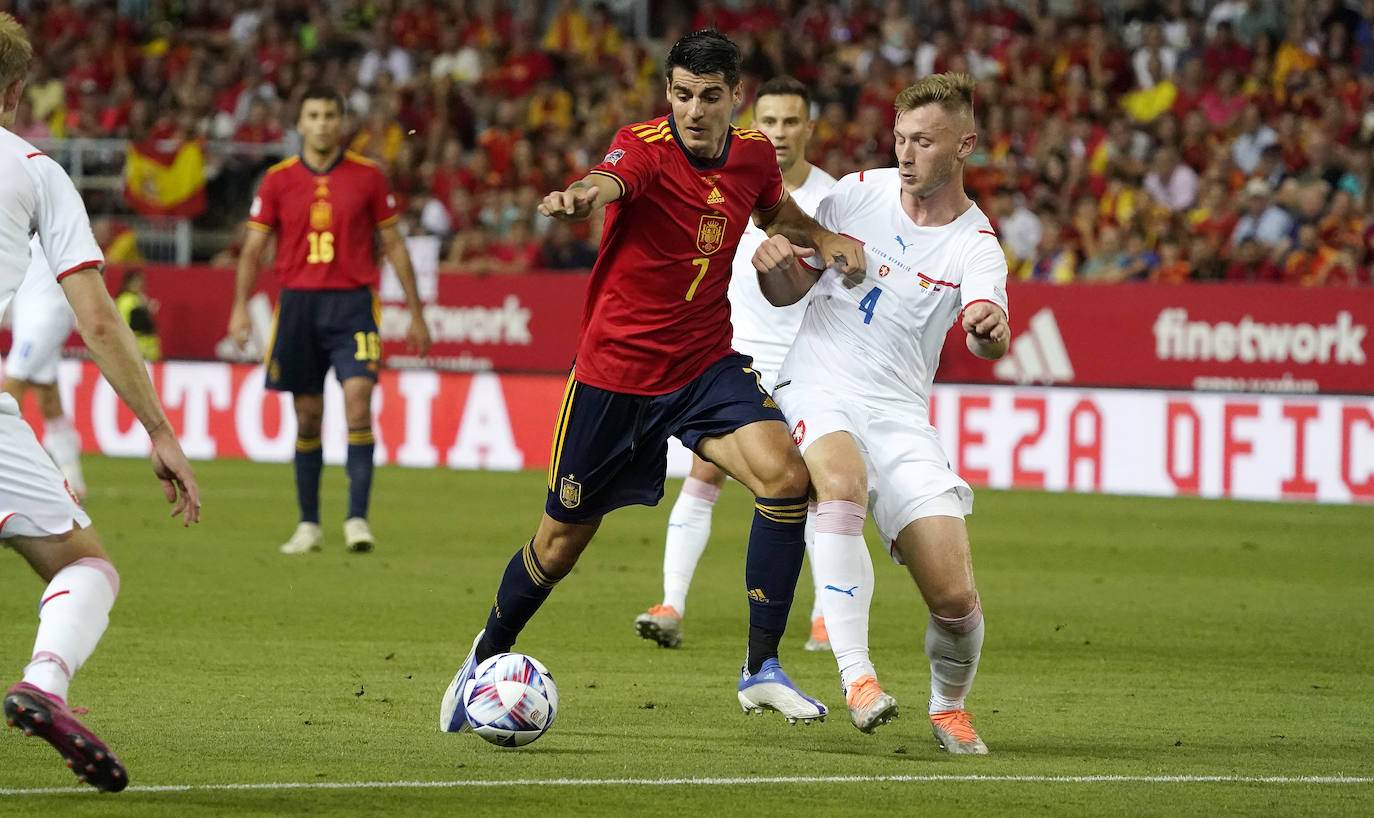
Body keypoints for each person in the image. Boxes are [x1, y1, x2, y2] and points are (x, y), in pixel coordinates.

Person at [439, 31, 864, 733]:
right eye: (681, 94)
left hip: (702, 363)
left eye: (709, 97)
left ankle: (761, 667)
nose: (693, 110)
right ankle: (485, 654)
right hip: (615, 377)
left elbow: (774, 211)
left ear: (735, 98)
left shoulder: (754, 153)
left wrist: (822, 238)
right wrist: (582, 196)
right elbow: (609, 180)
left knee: (786, 478)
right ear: (668, 93)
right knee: (558, 545)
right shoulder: (642, 145)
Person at [753, 73, 1009, 751]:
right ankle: (857, 676)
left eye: (923, 141)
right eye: (899, 138)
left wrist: (987, 326)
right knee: (840, 483)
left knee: (955, 602)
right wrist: (774, 267)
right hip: (819, 380)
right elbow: (790, 292)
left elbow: (993, 330)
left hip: (899, 413)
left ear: (964, 145)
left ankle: (949, 707)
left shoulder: (975, 245)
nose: (905, 152)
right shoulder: (855, 195)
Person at [0, 13, 201, 791]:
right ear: (16, 92)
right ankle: (46, 682)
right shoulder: (37, 171)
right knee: (86, 567)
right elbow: (98, 319)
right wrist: (159, 430)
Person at [633, 75, 837, 652]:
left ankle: (824, 617)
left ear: (808, 128)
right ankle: (671, 602)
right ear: (752, 120)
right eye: (768, 121)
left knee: (817, 489)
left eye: (790, 122)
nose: (777, 133)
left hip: (805, 363)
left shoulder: (830, 199)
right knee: (705, 472)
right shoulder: (732, 178)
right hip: (733, 355)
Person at [228, 86, 431, 555]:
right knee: (308, 417)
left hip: (353, 304)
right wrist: (239, 305)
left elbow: (395, 245)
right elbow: (254, 248)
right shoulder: (277, 180)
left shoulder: (369, 177)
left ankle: (357, 519)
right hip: (298, 306)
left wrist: (416, 313)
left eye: (330, 114)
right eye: (314, 114)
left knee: (358, 404)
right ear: (300, 123)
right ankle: (309, 524)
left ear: (341, 123)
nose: (322, 122)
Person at [2, 237, 86, 498]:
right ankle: (73, 479)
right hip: (35, 319)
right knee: (48, 398)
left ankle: (11, 471)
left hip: (44, 320)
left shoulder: (47, 224)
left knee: (9, 390)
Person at [113, 269, 161, 361]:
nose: (140, 284)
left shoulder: (140, 298)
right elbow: (128, 323)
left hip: (149, 347)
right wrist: (145, 311)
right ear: (128, 283)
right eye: (136, 281)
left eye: (141, 281)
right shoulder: (125, 300)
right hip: (136, 346)